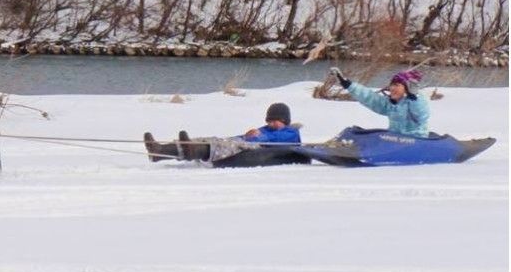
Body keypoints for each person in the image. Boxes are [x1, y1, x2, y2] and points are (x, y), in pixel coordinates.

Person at [144, 102, 301, 162]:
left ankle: (193, 150)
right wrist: (246, 135)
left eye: (276, 121)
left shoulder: (290, 132)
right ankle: (160, 151)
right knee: (211, 139)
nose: (272, 124)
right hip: (248, 142)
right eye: (269, 121)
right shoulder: (265, 128)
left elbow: (271, 139)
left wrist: (253, 138)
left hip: (262, 148)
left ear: (285, 121)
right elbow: (253, 136)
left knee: (223, 146)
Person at [329, 67, 430, 138]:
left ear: (407, 88)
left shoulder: (417, 101)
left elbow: (421, 115)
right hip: (395, 139)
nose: (392, 88)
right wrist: (348, 84)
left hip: (416, 140)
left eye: (397, 85)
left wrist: (414, 97)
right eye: (392, 85)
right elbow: (370, 98)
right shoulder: (391, 103)